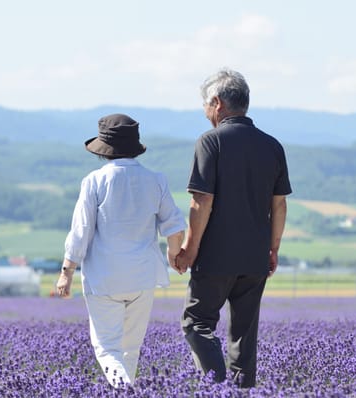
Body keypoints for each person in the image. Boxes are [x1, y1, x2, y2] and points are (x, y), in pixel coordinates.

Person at [175, 68, 292, 388]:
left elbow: (201, 201)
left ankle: (218, 388)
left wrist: (190, 249)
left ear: (217, 103)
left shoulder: (210, 142)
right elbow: (279, 205)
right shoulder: (272, 145)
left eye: (205, 105)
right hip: (255, 256)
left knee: (196, 323)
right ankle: (242, 391)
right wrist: (273, 249)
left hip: (215, 255)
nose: (205, 112)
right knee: (244, 334)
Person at [56, 113, 186, 387]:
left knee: (107, 349)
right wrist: (174, 255)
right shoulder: (156, 180)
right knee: (130, 350)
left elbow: (80, 231)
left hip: (105, 279)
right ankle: (127, 389)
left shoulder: (94, 181)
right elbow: (175, 226)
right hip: (142, 278)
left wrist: (66, 272)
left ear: (104, 150)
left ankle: (128, 391)